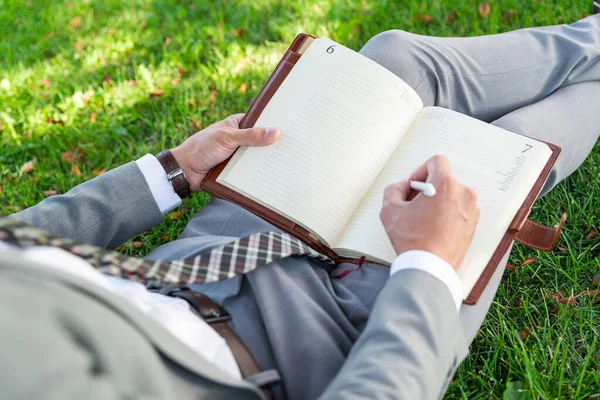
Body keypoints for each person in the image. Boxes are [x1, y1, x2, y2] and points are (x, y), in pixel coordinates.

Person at [1, 13, 599, 400]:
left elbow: (23, 239)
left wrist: (176, 169)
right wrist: (430, 267)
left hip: (207, 256)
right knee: (503, 159)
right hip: (318, 346)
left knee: (395, 62)